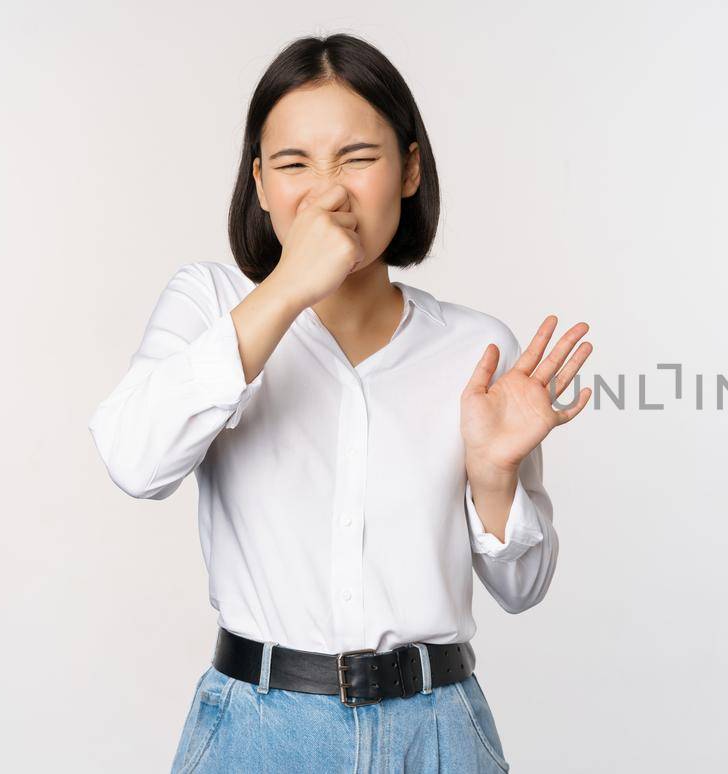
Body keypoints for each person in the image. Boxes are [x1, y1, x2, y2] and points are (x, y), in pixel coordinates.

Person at [86, 33, 592, 773]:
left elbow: (524, 587)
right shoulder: (211, 305)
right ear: (259, 185)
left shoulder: (474, 347)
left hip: (440, 730)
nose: (327, 191)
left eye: (358, 158)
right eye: (294, 164)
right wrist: (289, 287)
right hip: (257, 731)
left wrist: (494, 481)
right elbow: (134, 460)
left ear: (409, 169)